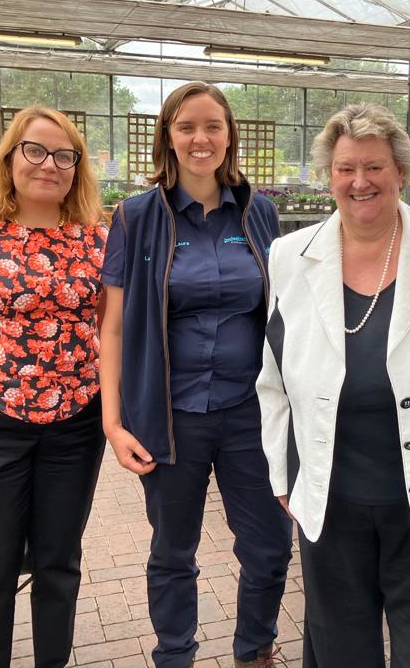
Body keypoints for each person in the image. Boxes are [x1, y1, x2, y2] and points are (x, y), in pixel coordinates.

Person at [256, 103, 410, 668]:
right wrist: (284, 477)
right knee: (340, 648)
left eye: (375, 167)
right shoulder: (290, 255)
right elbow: (274, 380)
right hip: (331, 497)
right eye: (346, 168)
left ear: (401, 171)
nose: (361, 182)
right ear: (329, 175)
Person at [99, 81, 292, 668]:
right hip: (169, 413)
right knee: (173, 550)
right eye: (186, 127)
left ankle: (254, 647)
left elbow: (286, 306)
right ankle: (174, 654)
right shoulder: (136, 217)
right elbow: (111, 327)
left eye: (212, 125)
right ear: (169, 137)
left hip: (250, 414)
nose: (200, 138)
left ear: (229, 134)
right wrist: (113, 422)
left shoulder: (259, 211)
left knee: (268, 547)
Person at [0, 107, 107, 668]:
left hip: (75, 422)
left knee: (58, 562)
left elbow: (109, 327)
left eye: (64, 155)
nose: (50, 165)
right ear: (10, 158)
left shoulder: (96, 239)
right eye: (36, 151)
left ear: (77, 168)